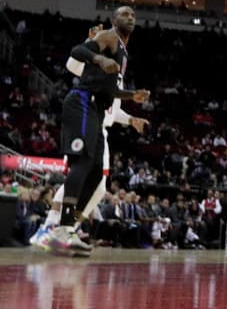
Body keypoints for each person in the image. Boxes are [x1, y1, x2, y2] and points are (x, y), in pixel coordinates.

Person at [32, 20, 150, 253]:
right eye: (125, 14)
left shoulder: (119, 65)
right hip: (84, 111)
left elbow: (113, 107)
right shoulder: (104, 45)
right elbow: (73, 62)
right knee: (82, 170)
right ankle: (49, 229)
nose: (130, 18)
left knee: (97, 183)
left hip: (99, 123)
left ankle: (67, 229)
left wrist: (131, 114)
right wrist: (91, 45)